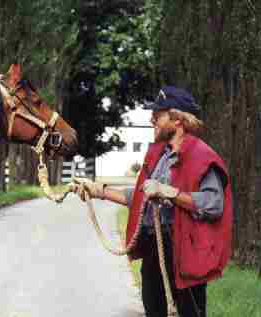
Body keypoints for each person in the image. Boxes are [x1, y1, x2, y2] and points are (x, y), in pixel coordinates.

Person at [74, 86, 233, 317]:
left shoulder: (202, 156)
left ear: (177, 119)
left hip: (182, 253)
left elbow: (213, 204)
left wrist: (171, 193)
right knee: (153, 311)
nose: (152, 121)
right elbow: (141, 198)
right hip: (153, 250)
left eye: (158, 115)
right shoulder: (159, 154)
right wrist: (99, 190)